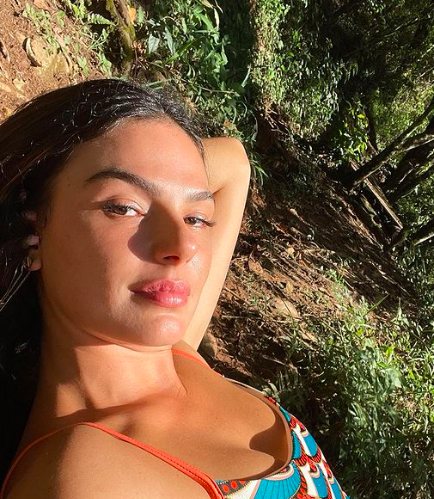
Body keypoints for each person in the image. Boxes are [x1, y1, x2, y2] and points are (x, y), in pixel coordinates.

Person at [0, 78, 351, 499]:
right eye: (123, 207)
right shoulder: (87, 480)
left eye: (196, 218)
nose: (182, 247)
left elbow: (235, 163)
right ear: (31, 233)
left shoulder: (177, 353)